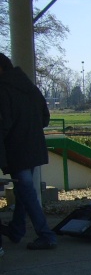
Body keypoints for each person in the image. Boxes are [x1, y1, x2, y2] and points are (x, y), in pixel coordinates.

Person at [0, 53, 57, 250]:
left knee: (26, 191)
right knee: (24, 190)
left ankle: (46, 235)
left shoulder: (3, 90)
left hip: (16, 149)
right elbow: (45, 118)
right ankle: (16, 230)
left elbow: (3, 124)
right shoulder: (30, 88)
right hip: (33, 147)